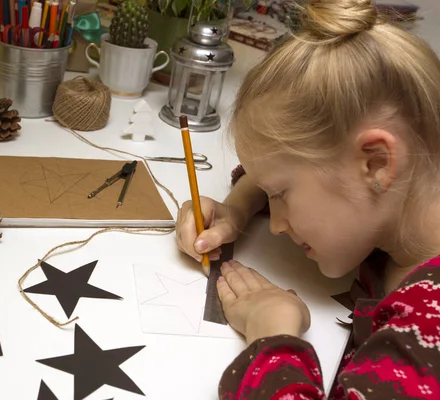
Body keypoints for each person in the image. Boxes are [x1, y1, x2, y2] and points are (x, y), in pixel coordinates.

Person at [175, 0, 440, 398]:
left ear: (376, 164)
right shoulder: (406, 198)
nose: (278, 225)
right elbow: (278, 169)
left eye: (281, 194)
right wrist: (241, 206)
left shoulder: (428, 331)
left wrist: (273, 331)